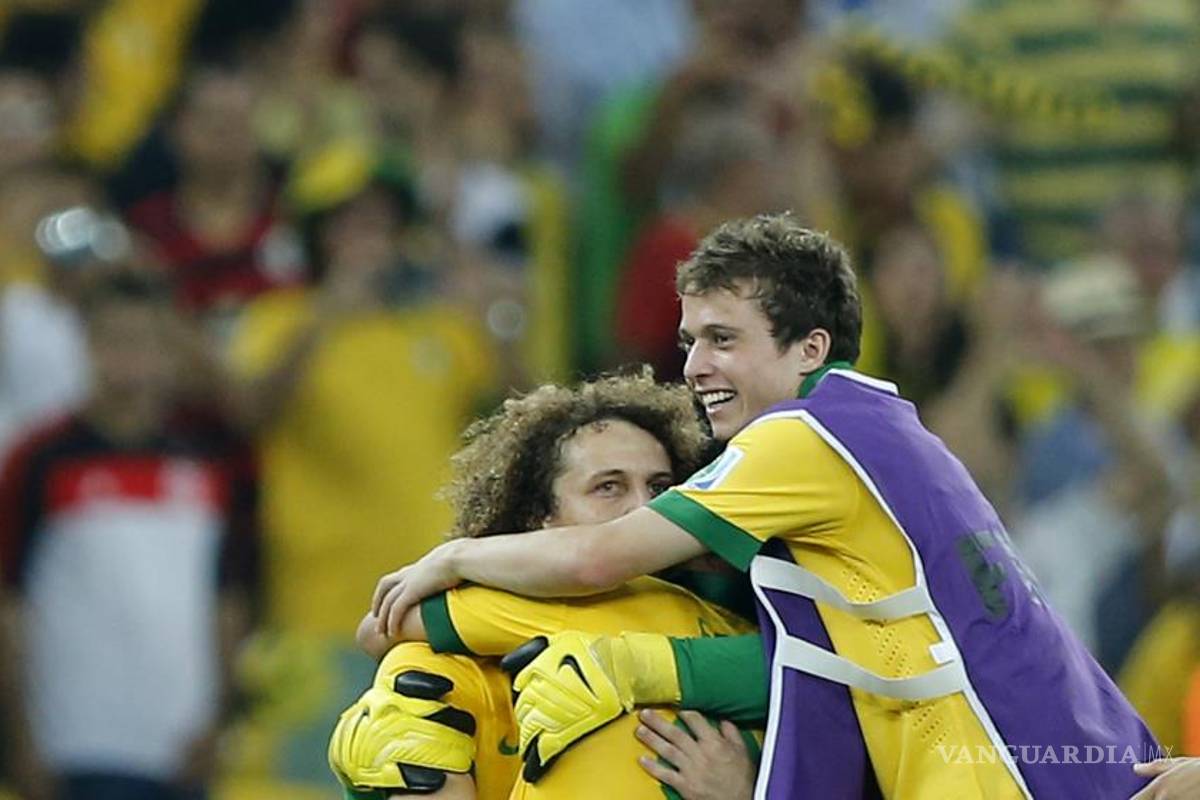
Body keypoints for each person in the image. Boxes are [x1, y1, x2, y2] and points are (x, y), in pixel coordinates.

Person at [372, 213, 1159, 798]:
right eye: (690, 340)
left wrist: (453, 557)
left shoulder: (805, 437)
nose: (694, 366)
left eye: (723, 339)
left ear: (810, 348)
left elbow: (595, 559)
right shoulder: (881, 433)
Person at [330, 371, 759, 800]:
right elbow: (382, 629)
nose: (644, 508)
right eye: (609, 487)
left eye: (660, 487)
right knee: (413, 693)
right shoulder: (527, 617)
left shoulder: (741, 617)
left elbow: (381, 629)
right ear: (541, 518)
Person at [0, 272, 256, 800]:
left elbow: (227, 597)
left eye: (144, 340)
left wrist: (218, 718)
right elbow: (10, 604)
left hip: (182, 745)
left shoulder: (210, 463)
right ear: (86, 344)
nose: (130, 359)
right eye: (114, 339)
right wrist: (20, 737)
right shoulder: (39, 460)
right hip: (76, 740)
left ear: (169, 350)